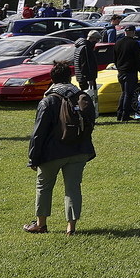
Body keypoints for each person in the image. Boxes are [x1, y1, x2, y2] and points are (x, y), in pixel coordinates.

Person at [23, 62, 96, 235]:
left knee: (44, 187)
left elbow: (38, 134)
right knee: (73, 188)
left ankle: (41, 224)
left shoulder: (47, 100)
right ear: (69, 78)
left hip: (52, 153)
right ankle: (71, 227)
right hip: (79, 150)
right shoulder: (81, 97)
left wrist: (33, 158)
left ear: (52, 79)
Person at [111, 25, 140, 123]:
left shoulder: (118, 43)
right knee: (128, 94)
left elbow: (114, 59)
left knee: (124, 93)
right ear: (133, 32)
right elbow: (138, 59)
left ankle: (119, 113)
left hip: (121, 72)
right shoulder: (134, 43)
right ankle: (125, 114)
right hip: (130, 72)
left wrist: (119, 68)